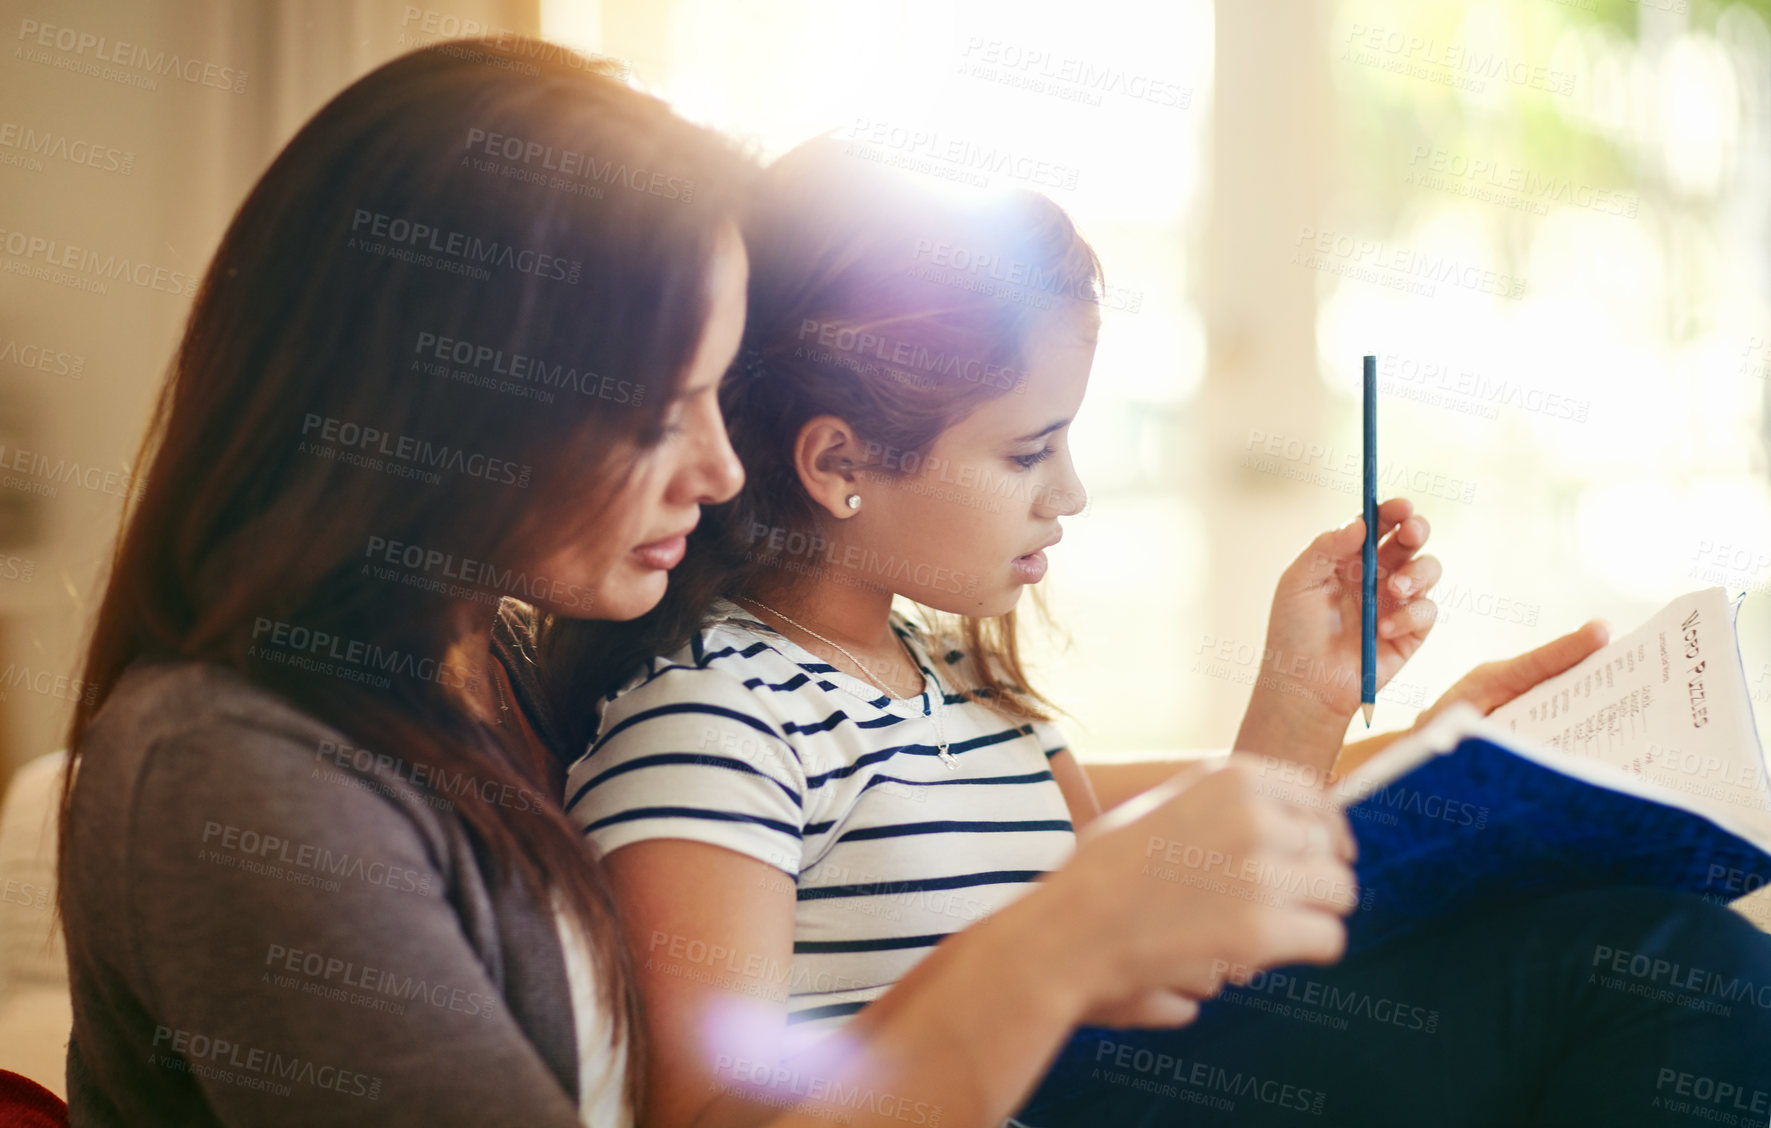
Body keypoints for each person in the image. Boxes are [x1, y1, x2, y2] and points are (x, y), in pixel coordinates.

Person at [56, 38, 1361, 1128]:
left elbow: (930, 798)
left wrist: (1324, 731)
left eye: (713, 395)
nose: (721, 467)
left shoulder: (490, 671)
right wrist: (1055, 945)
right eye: (657, 410)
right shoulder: (241, 767)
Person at [552, 137, 1771, 1126]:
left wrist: (1342, 714)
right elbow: (705, 1114)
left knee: (1629, 948)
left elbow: (1184, 903)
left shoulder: (957, 690)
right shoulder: (718, 716)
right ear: (839, 462)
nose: (1068, 492)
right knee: (1633, 969)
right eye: (1028, 449)